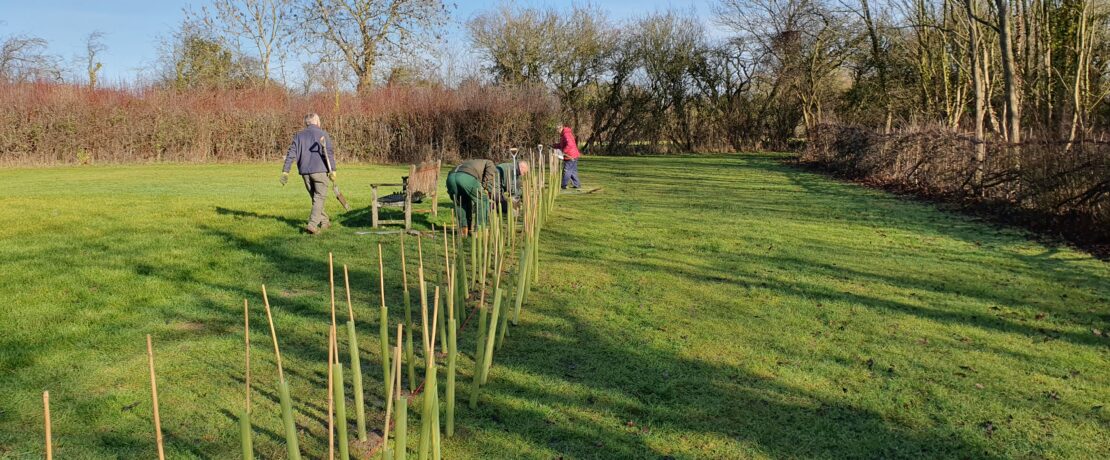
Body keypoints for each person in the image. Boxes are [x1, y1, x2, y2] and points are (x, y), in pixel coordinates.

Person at [280, 113, 336, 234]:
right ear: (316, 121)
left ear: (307, 123)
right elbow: (329, 153)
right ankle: (312, 225)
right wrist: (333, 170)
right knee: (319, 198)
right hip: (320, 171)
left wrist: (285, 171)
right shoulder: (323, 134)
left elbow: (291, 153)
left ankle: (325, 221)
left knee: (316, 199)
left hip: (305, 172)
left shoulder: (298, 136)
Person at [551, 123, 581, 189]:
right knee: (573, 171)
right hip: (574, 155)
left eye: (557, 130)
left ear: (560, 128)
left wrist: (563, 151)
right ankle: (577, 184)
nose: (557, 131)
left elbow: (569, 145)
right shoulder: (565, 134)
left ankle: (563, 185)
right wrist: (554, 146)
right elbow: (562, 145)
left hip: (570, 155)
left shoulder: (566, 134)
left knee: (567, 170)